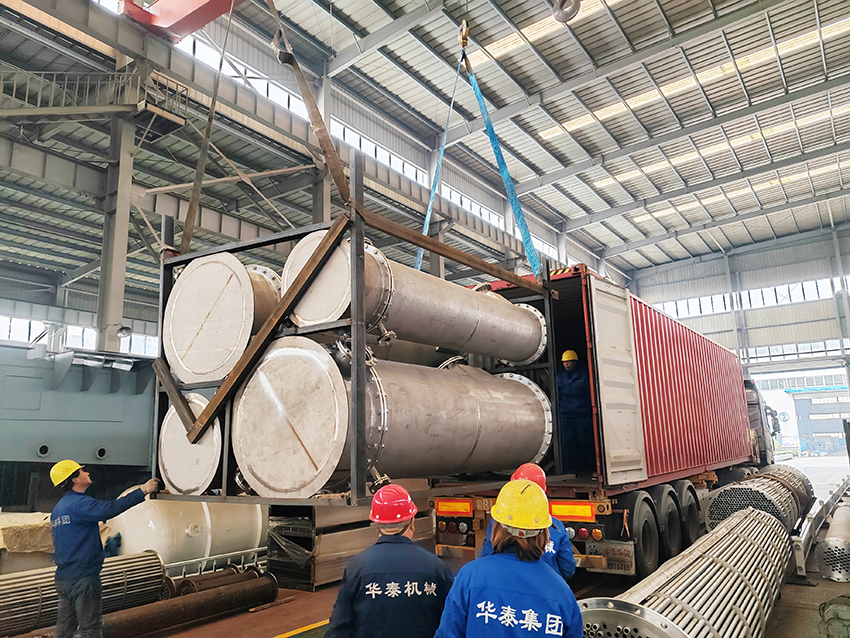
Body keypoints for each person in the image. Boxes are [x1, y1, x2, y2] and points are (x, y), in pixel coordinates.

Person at [435, 479, 583, 638]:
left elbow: (448, 633)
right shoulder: (560, 591)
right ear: (544, 533)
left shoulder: (469, 577)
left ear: (496, 527)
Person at [325, 484, 454, 638]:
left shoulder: (357, 566)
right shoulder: (435, 567)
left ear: (376, 524)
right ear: (412, 522)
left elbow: (339, 628)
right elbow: (452, 622)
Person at [49, 460, 159, 638]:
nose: (87, 472)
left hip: (64, 578)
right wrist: (143, 490)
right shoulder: (80, 504)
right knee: (90, 630)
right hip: (83, 578)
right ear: (74, 479)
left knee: (65, 630)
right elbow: (110, 509)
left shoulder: (59, 509)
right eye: (82, 471)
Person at [480, 463, 575, 581]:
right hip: (544, 585)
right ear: (543, 492)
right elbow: (567, 569)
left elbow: (487, 556)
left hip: (502, 581)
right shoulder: (556, 527)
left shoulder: (499, 522)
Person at [556, 350, 594, 474]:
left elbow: (588, 394)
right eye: (564, 362)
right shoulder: (559, 376)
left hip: (581, 414)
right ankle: (569, 469)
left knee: (584, 442)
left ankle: (588, 468)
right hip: (565, 415)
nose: (566, 364)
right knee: (567, 443)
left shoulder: (583, 375)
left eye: (568, 361)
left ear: (575, 362)